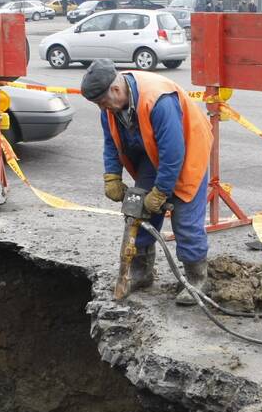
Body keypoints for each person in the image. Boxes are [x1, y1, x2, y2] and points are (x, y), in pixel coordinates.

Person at [81, 59, 214, 304]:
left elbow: (173, 153)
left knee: (185, 220)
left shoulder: (159, 101)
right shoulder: (109, 107)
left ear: (116, 90)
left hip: (187, 155)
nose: (102, 108)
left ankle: (197, 279)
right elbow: (112, 141)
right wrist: (112, 175)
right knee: (137, 212)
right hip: (150, 155)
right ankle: (141, 272)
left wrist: (162, 192)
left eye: (102, 102)